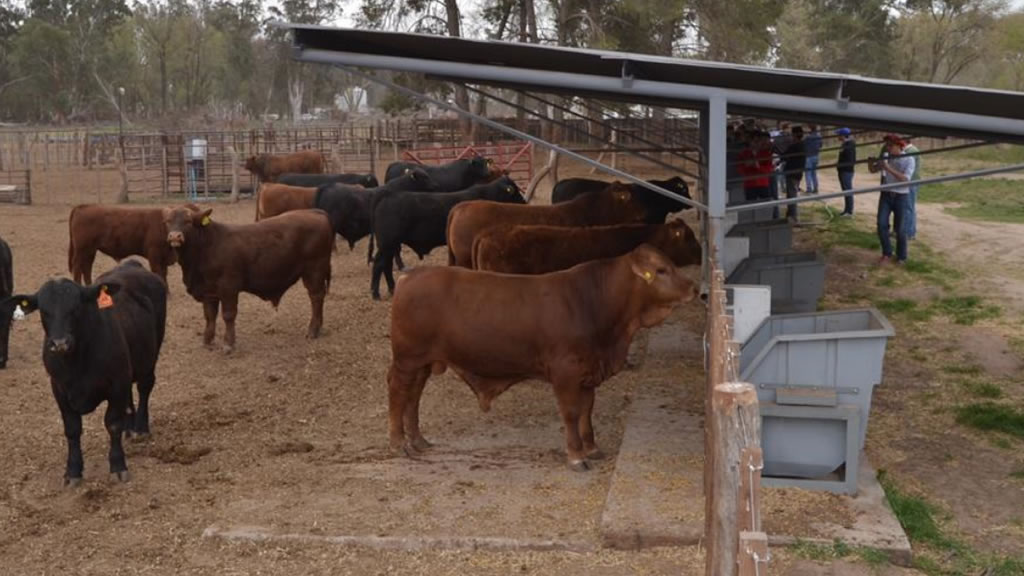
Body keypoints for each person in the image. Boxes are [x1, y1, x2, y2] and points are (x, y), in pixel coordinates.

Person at [873, 135, 915, 265]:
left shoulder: (909, 159)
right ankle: (887, 253)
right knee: (881, 224)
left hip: (901, 196)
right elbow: (873, 170)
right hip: (886, 194)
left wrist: (887, 168)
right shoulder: (886, 156)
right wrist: (872, 164)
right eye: (887, 145)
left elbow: (905, 179)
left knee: (900, 229)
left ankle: (901, 256)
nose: (888, 148)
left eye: (890, 145)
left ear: (899, 145)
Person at [738, 130, 776, 217]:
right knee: (750, 208)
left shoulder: (766, 153)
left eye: (758, 141)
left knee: (766, 207)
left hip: (763, 183)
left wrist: (758, 166)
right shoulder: (743, 154)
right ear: (750, 141)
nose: (757, 144)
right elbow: (739, 169)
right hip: (749, 184)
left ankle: (767, 221)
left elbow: (769, 169)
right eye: (754, 141)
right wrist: (746, 166)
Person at [781, 125, 805, 221]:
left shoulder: (794, 146)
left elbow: (784, 156)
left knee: (792, 195)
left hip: (792, 173)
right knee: (791, 194)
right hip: (798, 173)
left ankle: (793, 217)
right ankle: (789, 215)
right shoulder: (802, 145)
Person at [903, 137, 921, 239]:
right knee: (907, 207)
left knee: (909, 207)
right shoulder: (909, 150)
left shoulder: (912, 151)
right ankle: (905, 230)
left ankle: (909, 232)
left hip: (911, 182)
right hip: (910, 181)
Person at [836, 127, 857, 216]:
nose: (837, 136)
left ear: (843, 135)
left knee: (848, 191)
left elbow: (850, 159)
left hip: (847, 171)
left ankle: (849, 211)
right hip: (842, 170)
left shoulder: (849, 145)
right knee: (845, 191)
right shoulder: (845, 144)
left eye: (839, 135)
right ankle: (846, 210)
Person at [803, 124, 823, 194]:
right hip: (816, 156)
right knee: (814, 173)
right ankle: (816, 188)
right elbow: (820, 145)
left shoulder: (808, 138)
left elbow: (804, 146)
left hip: (808, 156)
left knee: (808, 173)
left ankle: (809, 189)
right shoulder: (819, 136)